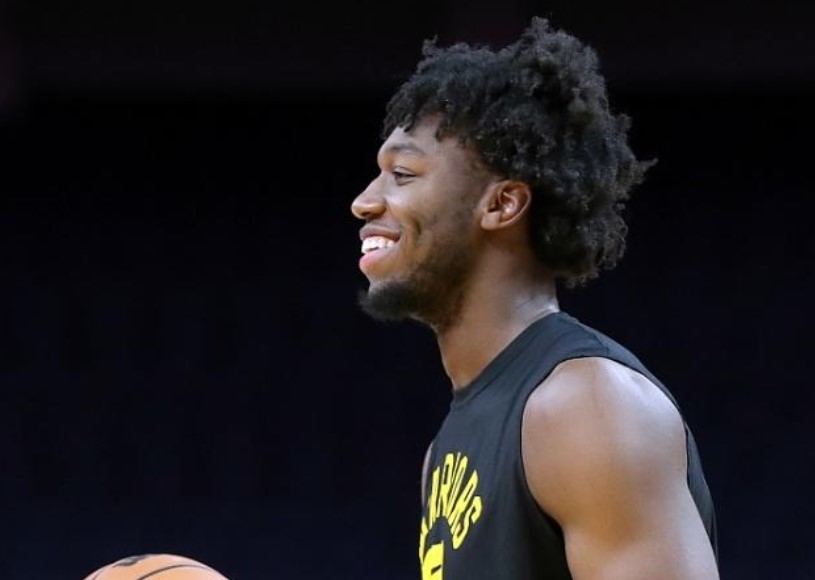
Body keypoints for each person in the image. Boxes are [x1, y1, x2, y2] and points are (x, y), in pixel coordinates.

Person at [350, 16, 718, 580]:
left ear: (502, 205)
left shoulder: (585, 407)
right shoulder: (445, 450)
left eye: (402, 173)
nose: (364, 202)